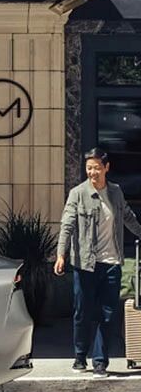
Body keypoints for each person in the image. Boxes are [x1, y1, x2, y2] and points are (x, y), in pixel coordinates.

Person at [54, 148, 141, 377]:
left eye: (97, 168)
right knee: (83, 312)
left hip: (112, 262)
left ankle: (100, 361)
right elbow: (67, 225)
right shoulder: (78, 193)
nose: (92, 172)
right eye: (89, 168)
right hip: (86, 264)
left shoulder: (116, 192)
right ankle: (80, 356)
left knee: (109, 314)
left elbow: (128, 217)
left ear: (107, 168)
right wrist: (61, 254)